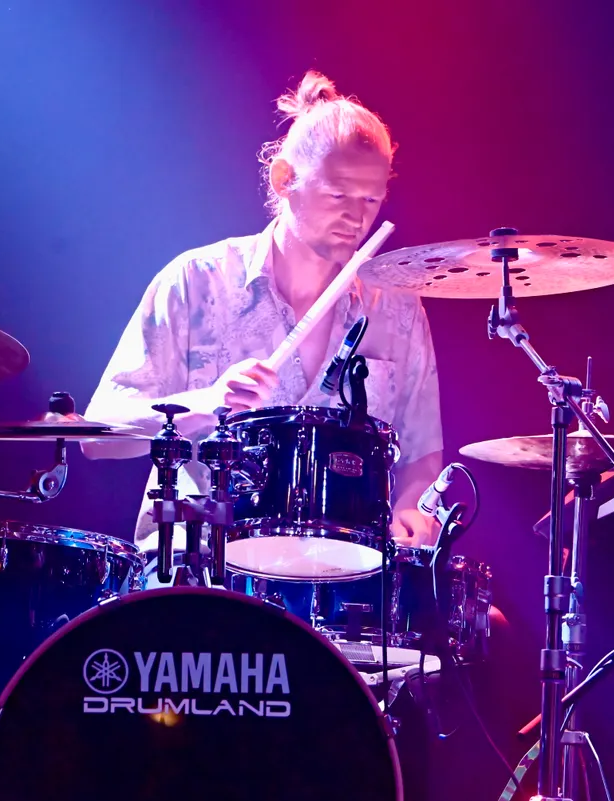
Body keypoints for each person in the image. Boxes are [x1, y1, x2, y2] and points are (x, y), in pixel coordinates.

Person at [82, 69, 444, 569]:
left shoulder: (397, 307)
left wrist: (412, 508)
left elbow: (421, 451)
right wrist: (205, 404)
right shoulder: (197, 282)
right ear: (284, 179)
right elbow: (96, 438)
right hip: (199, 567)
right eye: (338, 194)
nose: (357, 218)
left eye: (371, 199)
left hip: (342, 577)